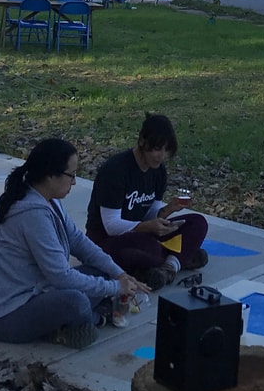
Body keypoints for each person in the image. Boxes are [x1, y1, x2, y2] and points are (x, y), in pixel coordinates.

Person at [0, 138, 148, 349]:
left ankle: (84, 321)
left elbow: (79, 242)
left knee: (101, 272)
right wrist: (114, 288)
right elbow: (61, 276)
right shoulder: (33, 214)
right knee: (76, 302)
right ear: (50, 175)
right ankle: (94, 319)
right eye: (71, 175)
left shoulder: (49, 201)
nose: (74, 182)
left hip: (38, 292)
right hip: (4, 315)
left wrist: (119, 275)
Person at [86, 114, 208, 290]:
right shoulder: (115, 170)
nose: (161, 156)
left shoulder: (158, 171)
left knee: (198, 223)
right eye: (157, 149)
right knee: (150, 248)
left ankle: (169, 267)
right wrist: (149, 227)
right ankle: (180, 256)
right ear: (142, 141)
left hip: (142, 232)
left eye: (166, 150)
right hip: (107, 239)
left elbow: (150, 215)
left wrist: (168, 210)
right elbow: (111, 225)